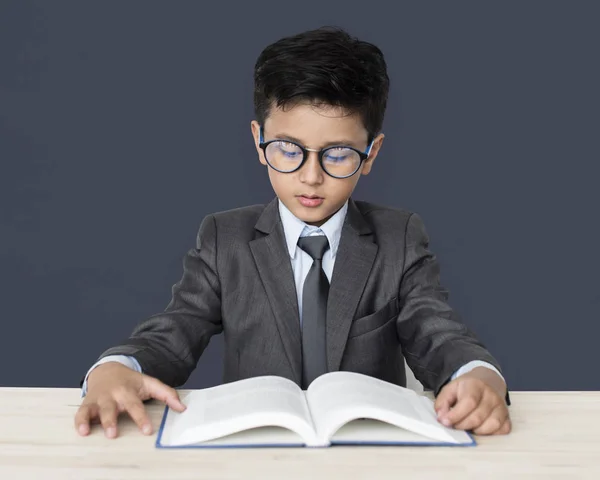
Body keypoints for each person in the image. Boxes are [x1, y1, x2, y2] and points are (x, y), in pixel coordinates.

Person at [74, 26, 511, 440]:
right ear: (259, 141)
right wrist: (114, 368)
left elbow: (438, 333)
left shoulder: (398, 238)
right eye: (288, 150)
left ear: (371, 152)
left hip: (370, 452)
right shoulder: (224, 239)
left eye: (338, 155)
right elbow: (174, 332)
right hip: (258, 448)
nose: (311, 177)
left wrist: (476, 374)